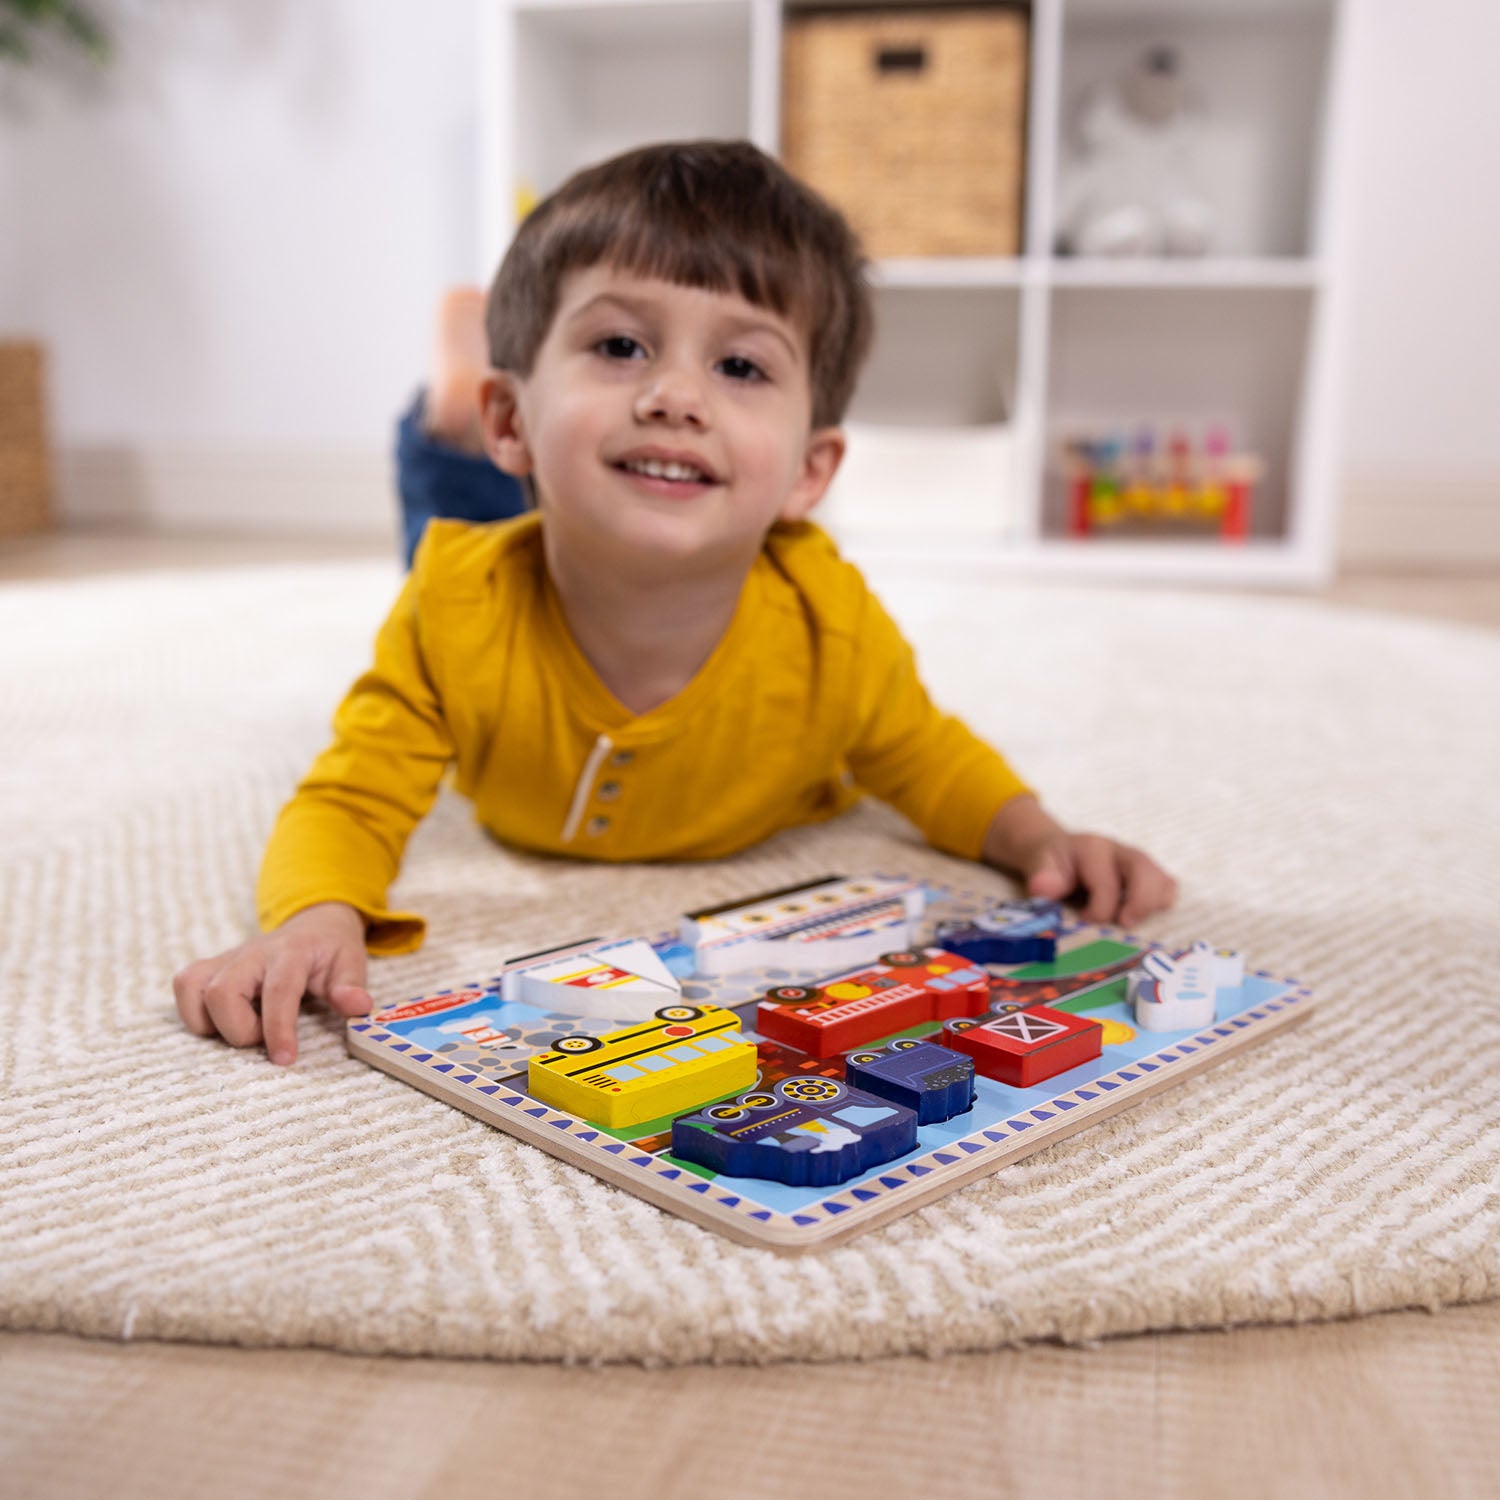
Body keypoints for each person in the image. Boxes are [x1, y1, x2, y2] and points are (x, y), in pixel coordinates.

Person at [173, 140, 1177, 1066]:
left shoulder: (826, 620)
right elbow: (350, 796)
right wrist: (314, 914)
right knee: (449, 514)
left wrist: (1040, 839)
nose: (675, 397)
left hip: (572, 504)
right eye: (621, 346)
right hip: (515, 542)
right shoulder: (455, 606)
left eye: (740, 366)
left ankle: (472, 391)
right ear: (511, 415)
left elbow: (925, 754)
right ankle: (450, 405)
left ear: (809, 471)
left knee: (545, 486)